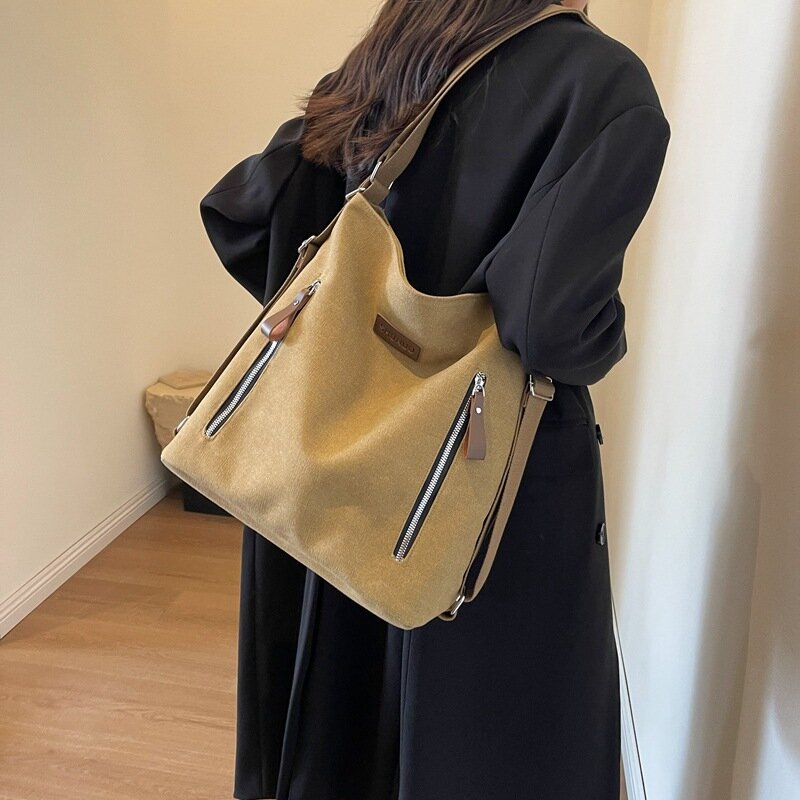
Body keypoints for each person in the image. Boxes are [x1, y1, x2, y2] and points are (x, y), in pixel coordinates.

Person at [198, 1, 671, 798]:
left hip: (332, 457)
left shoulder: (401, 46)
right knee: (485, 736)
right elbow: (548, 322)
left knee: (337, 722)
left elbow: (251, 213)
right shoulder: (604, 83)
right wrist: (611, 337)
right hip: (489, 484)